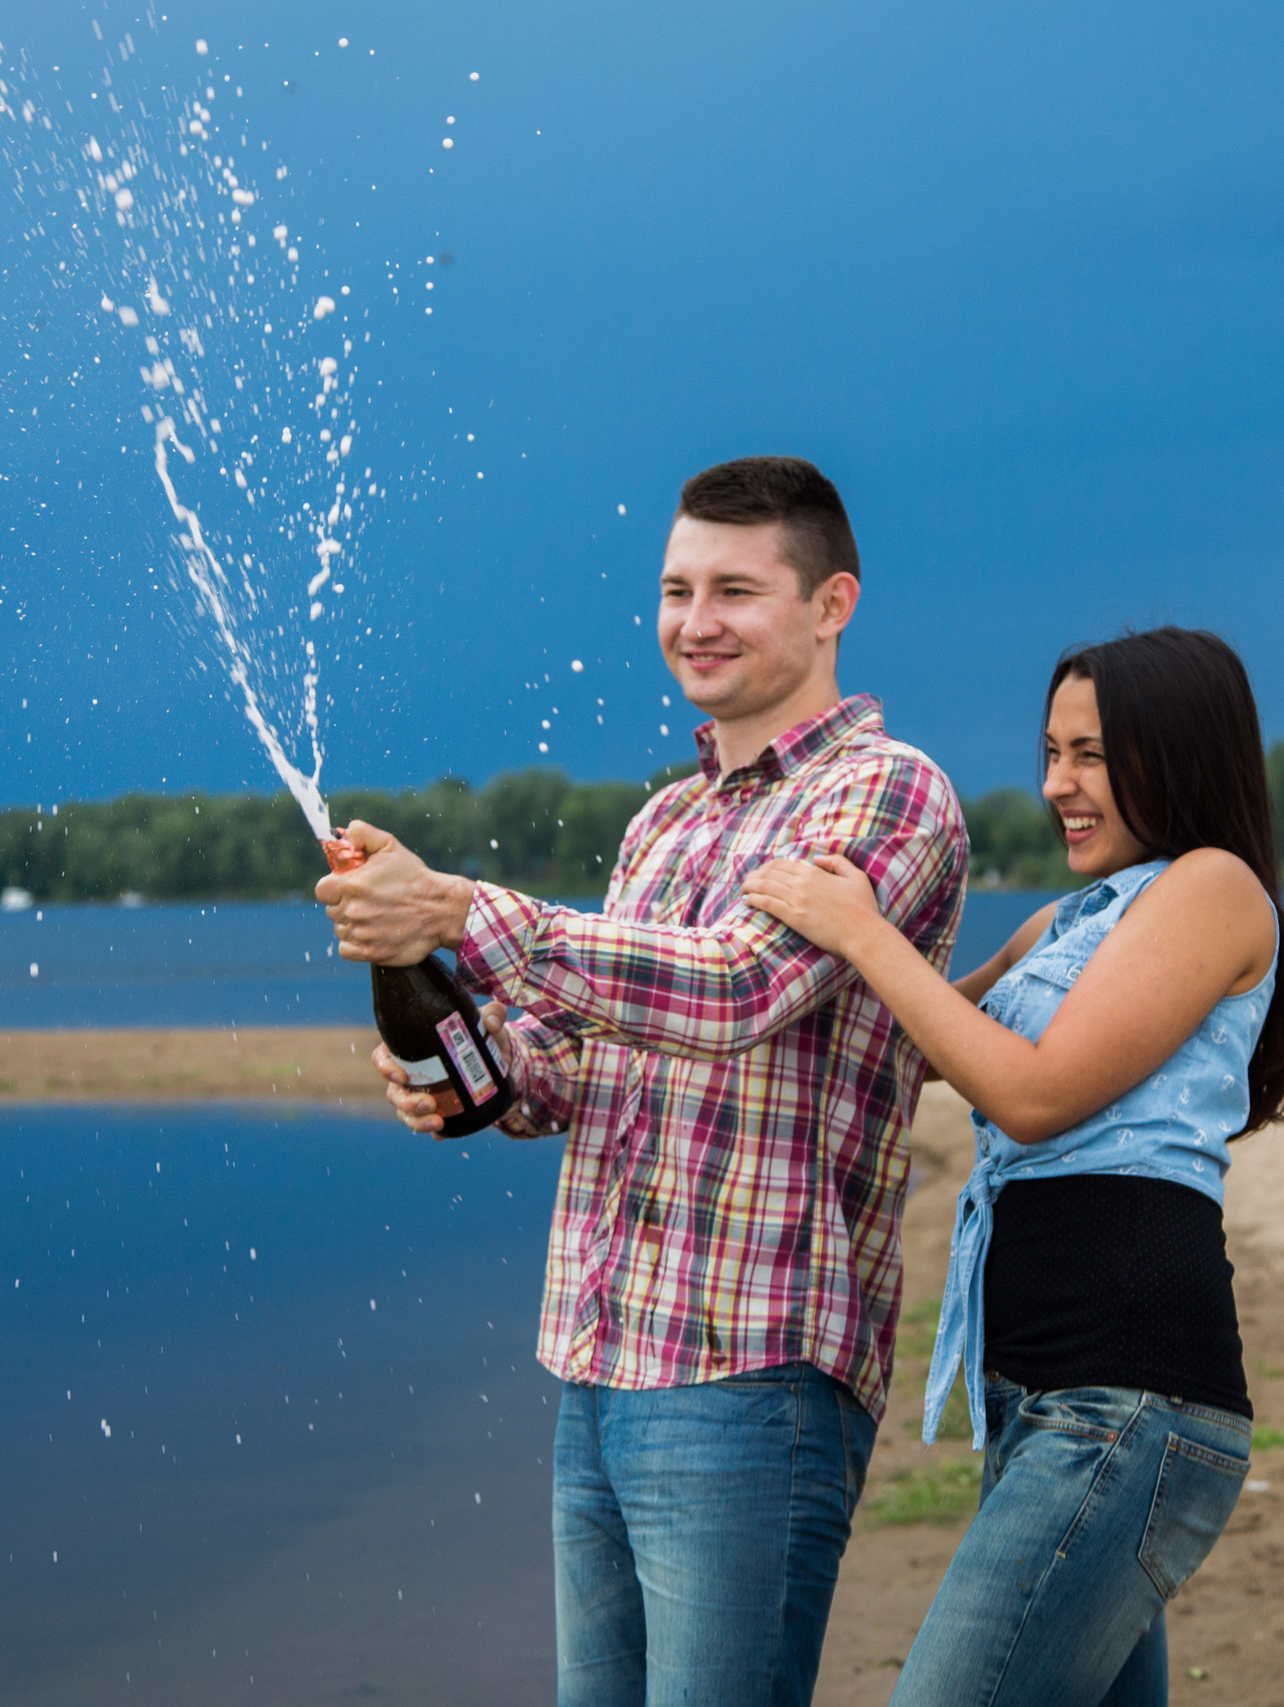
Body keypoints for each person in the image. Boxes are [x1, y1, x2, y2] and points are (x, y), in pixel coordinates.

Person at [316, 456, 969, 1707]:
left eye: (735, 590)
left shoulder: (888, 791)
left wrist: (458, 906)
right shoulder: (662, 824)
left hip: (752, 1371)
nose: (694, 622)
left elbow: (733, 991)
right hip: (597, 1357)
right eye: (675, 590)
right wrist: (480, 1071)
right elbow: (574, 1075)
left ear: (832, 605)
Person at [740, 626, 1284, 1706]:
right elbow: (915, 1046)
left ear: (1177, 750)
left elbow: (1032, 1094)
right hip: (1036, 1398)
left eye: (1089, 753)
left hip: (1128, 1398)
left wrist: (866, 938)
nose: (1057, 785)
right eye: (1049, 752)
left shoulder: (1212, 888)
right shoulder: (1066, 922)